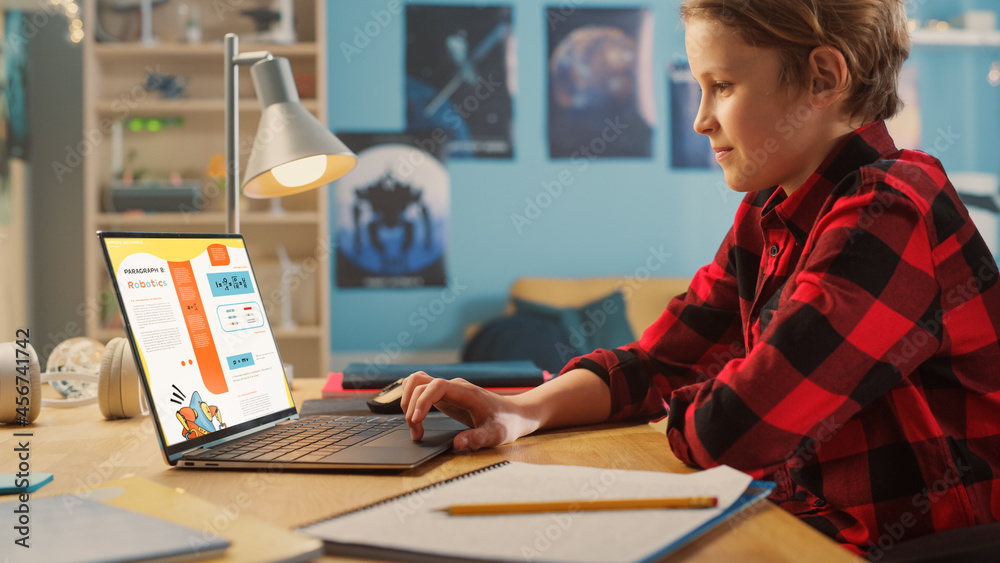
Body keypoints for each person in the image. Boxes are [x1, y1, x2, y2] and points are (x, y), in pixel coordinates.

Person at [401, 0, 1000, 557]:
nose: (699, 120)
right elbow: (662, 361)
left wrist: (694, 404)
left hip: (914, 547)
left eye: (722, 86)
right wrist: (518, 411)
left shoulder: (894, 207)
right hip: (813, 529)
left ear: (822, 78)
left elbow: (735, 430)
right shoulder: (768, 213)